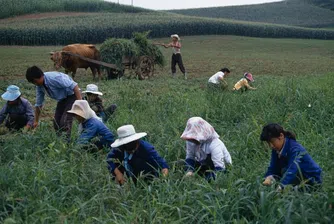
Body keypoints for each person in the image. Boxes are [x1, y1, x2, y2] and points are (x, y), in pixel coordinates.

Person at [260, 123, 322, 192]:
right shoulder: (276, 149)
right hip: (297, 178)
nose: (271, 146)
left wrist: (281, 186)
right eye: (268, 143)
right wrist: (268, 177)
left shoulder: (295, 149)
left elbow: (292, 170)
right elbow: (273, 167)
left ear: (281, 136)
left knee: (286, 188)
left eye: (272, 142)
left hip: (311, 181)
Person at [26, 66, 82, 140]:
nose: (35, 84)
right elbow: (39, 104)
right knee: (56, 123)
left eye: (35, 81)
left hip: (72, 95)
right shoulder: (39, 86)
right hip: (62, 99)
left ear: (40, 76)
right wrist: (36, 121)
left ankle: (67, 144)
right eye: (33, 82)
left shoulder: (54, 78)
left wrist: (80, 103)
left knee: (64, 121)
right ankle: (60, 142)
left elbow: (74, 86)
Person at [180, 117, 232, 181]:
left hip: (218, 167)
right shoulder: (191, 140)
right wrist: (189, 170)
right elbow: (190, 156)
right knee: (180, 164)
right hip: (202, 163)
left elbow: (220, 168)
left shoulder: (215, 144)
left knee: (211, 178)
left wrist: (203, 180)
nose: (192, 140)